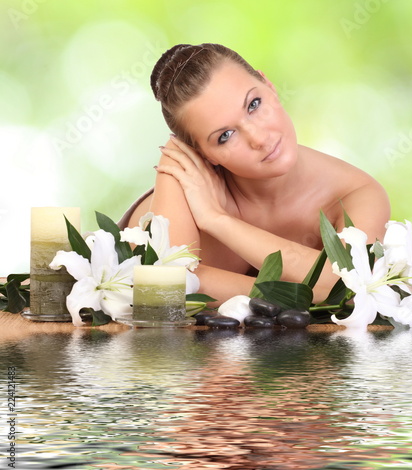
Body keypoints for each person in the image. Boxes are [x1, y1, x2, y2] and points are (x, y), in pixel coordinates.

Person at [119, 43, 390, 304]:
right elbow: (167, 290)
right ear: (202, 155)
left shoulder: (356, 194)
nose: (258, 139)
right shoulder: (181, 173)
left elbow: (351, 284)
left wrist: (217, 220)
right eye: (225, 136)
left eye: (254, 104)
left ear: (269, 86)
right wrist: (306, 294)